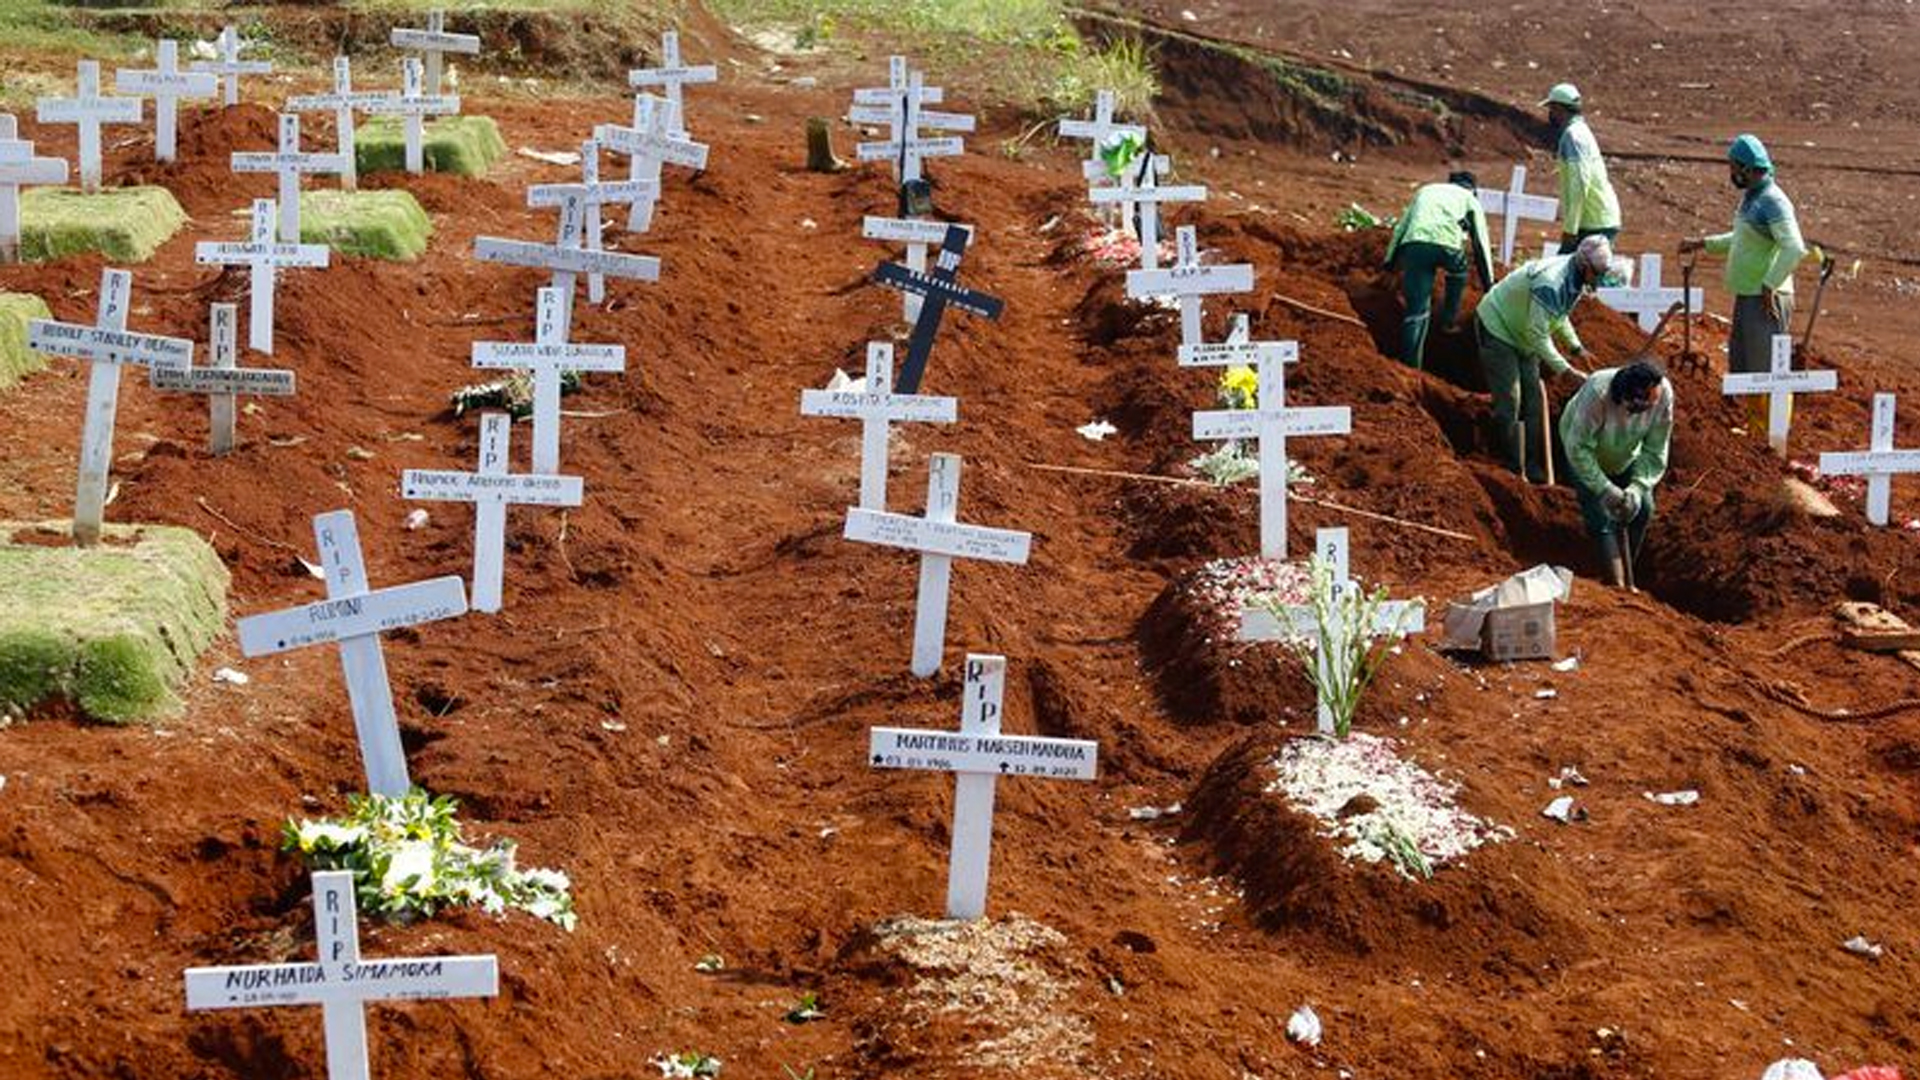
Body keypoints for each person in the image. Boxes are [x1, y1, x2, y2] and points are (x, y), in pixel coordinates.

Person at [1679, 134, 1809, 432]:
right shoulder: (1752, 198)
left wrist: (1769, 284)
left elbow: (1794, 247)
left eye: (1733, 167)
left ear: (1747, 168)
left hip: (1765, 297)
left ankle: (1771, 434)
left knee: (1767, 371)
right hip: (1750, 294)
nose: (1731, 173)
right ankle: (1756, 430)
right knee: (1750, 368)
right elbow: (1741, 239)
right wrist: (1702, 243)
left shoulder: (1773, 201)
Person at [1474, 235, 1627, 481]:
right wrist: (1565, 371)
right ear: (1585, 265)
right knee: (1511, 400)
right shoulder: (1552, 282)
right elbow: (1538, 334)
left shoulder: (1574, 278)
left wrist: (1576, 348)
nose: (1599, 280)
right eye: (1598, 273)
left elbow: (1559, 315)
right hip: (1498, 328)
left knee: (1533, 402)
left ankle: (1532, 465)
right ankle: (1512, 468)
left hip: (1523, 335)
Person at [1559, 359, 1673, 589]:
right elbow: (1579, 448)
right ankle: (1615, 585)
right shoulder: (1597, 393)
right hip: (1584, 453)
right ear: (1627, 400)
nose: (1651, 410)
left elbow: (1655, 449)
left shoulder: (1663, 394)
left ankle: (1627, 576)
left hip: (1625, 454)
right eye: (1644, 407)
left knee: (1643, 510)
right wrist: (1604, 489)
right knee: (1600, 516)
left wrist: (1637, 489)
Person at [1383, 171, 1495, 370]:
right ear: (1473, 189)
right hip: (1448, 247)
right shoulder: (1469, 199)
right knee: (1458, 271)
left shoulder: (1425, 191)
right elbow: (1481, 243)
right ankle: (1448, 320)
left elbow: (1402, 227)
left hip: (1415, 245)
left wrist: (1389, 262)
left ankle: (1410, 368)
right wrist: (1489, 285)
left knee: (1416, 313)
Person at [1541, 83, 1622, 254]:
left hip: (1593, 224)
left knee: (1570, 268)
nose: (1550, 114)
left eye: (1552, 109)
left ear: (1559, 109)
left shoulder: (1573, 136)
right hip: (1598, 219)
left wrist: (1571, 230)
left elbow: (1579, 183)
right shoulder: (1580, 131)